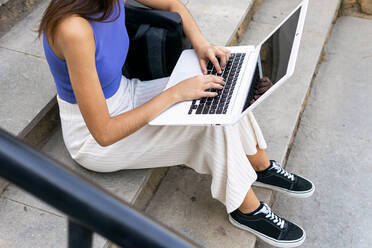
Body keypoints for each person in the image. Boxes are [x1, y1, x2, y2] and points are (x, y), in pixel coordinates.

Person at [38, 0, 314, 247]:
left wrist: (202, 45)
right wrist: (175, 94)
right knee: (210, 125)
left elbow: (174, 6)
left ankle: (260, 166)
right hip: (93, 138)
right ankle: (247, 211)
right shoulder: (73, 29)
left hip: (128, 92)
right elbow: (104, 132)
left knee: (222, 86)